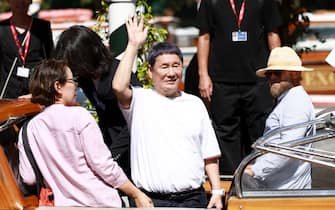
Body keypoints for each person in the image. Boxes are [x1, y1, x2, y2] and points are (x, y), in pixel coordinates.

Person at [112, 15, 223, 209]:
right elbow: (119, 86)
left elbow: (209, 153)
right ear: (150, 71)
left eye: (176, 66)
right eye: (164, 67)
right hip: (152, 202)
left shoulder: (195, 104)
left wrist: (216, 190)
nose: (171, 73)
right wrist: (133, 46)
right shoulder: (140, 100)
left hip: (193, 200)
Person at [18, 59, 153, 207]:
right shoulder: (79, 116)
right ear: (58, 86)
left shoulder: (29, 129)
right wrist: (135, 193)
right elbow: (103, 165)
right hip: (99, 203)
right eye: (72, 81)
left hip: (61, 205)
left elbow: (28, 177)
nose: (75, 86)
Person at [196, 0, 282, 174]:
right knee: (225, 134)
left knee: (261, 130)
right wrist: (203, 75)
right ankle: (231, 182)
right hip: (222, 80)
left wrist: (276, 73)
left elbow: (273, 34)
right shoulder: (211, 2)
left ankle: (262, 181)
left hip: (258, 78)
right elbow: (204, 37)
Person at [53, 25, 141, 178]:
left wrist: (113, 155)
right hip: (109, 143)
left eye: (73, 61)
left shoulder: (119, 73)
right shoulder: (85, 77)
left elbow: (137, 120)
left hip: (132, 148)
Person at [244, 46, 314, 189]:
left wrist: (255, 170)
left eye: (277, 73)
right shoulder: (289, 99)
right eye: (269, 74)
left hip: (286, 193)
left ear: (294, 74)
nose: (272, 78)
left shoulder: (296, 101)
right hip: (279, 189)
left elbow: (289, 147)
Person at [0, 0, 53, 98]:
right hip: (8, 95)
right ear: (9, 2)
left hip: (36, 95)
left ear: (30, 1)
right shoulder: (2, 29)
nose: (20, 2)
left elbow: (50, 62)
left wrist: (44, 89)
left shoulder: (42, 27)